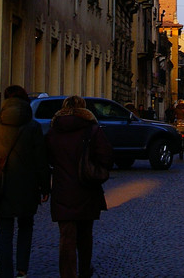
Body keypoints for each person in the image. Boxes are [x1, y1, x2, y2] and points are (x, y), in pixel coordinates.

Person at [0, 85, 51, 278]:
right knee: (26, 227)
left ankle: (4, 272)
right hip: (28, 186)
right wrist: (45, 186)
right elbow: (41, 160)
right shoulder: (33, 127)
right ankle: (22, 270)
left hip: (2, 186)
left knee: (5, 231)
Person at [46, 95, 114, 278]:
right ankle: (84, 270)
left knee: (66, 238)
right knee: (85, 235)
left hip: (63, 189)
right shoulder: (92, 129)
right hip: (87, 188)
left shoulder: (54, 131)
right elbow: (106, 156)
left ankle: (68, 274)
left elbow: (47, 158)